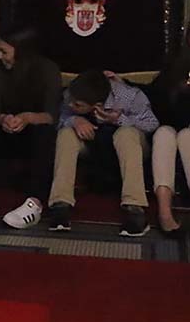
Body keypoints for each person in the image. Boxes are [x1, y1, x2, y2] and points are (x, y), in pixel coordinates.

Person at [47, 70, 158, 236]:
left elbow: (151, 124)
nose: (70, 105)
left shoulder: (130, 96)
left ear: (97, 105)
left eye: (77, 105)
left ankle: (134, 207)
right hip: (92, 143)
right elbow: (60, 117)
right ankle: (60, 205)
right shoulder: (72, 93)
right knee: (66, 133)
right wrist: (74, 119)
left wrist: (119, 120)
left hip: (128, 145)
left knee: (126, 133)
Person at [0, 27, 60, 229]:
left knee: (45, 133)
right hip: (5, 131)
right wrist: (2, 118)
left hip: (33, 132)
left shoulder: (48, 70)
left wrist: (27, 118)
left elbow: (51, 115)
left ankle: (35, 202)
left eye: (4, 51)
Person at [147, 52, 190, 235]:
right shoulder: (177, 67)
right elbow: (152, 95)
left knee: (187, 135)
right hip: (174, 125)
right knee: (164, 133)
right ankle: (165, 213)